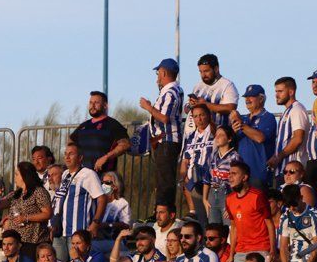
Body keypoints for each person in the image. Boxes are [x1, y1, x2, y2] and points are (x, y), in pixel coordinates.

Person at [139, 58, 184, 206]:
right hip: (163, 141)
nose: (157, 77)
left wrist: (148, 107)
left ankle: (165, 212)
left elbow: (164, 118)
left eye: (158, 73)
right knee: (163, 180)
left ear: (164, 72)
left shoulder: (170, 92)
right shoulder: (174, 90)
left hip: (167, 141)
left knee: (165, 181)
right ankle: (161, 211)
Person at [51, 144, 106, 262]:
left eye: (71, 154)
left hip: (78, 232)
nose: (67, 157)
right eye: (65, 154)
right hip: (61, 232)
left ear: (80, 157)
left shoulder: (88, 174)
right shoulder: (65, 174)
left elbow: (102, 199)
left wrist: (95, 223)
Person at [0, 162, 52, 259]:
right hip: (17, 242)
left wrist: (26, 218)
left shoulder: (39, 192)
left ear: (25, 176)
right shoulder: (16, 194)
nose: (15, 177)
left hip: (34, 242)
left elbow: (47, 214)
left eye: (17, 174)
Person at [225, 161, 275, 262]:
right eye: (229, 173)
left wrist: (272, 250)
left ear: (245, 177)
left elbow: (269, 223)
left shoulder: (257, 196)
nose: (230, 177)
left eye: (234, 173)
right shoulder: (229, 199)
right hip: (241, 251)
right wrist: (232, 254)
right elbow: (234, 227)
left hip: (260, 248)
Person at [68, 91, 131, 172]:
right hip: (82, 176)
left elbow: (126, 144)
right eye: (90, 103)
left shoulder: (113, 124)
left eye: (96, 102)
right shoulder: (83, 126)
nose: (92, 105)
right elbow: (71, 142)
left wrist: (106, 157)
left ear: (105, 106)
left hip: (103, 175)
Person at [230, 85, 276, 188]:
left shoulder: (268, 117)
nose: (247, 99)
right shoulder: (244, 118)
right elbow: (233, 144)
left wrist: (241, 124)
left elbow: (260, 138)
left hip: (258, 174)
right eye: (246, 97)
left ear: (261, 99)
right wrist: (233, 132)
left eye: (251, 96)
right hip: (240, 175)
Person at [179, 103, 215, 226]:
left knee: (213, 219)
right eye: (195, 116)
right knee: (202, 220)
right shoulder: (190, 137)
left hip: (212, 183)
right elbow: (184, 160)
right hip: (194, 184)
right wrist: (184, 177)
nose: (199, 119)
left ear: (208, 116)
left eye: (201, 115)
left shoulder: (215, 132)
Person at [269, 77, 310, 185]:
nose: (276, 95)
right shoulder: (287, 111)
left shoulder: (297, 110)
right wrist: (275, 156)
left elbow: (298, 138)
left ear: (291, 92)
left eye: (280, 91)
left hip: (293, 171)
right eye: (276, 91)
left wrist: (280, 156)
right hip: (284, 169)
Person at [185, 53, 239, 129]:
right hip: (200, 136)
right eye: (201, 72)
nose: (203, 75)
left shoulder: (228, 85)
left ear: (216, 69)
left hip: (220, 134)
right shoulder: (198, 87)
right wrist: (191, 105)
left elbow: (231, 108)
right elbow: (186, 109)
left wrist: (205, 104)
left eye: (206, 71)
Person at [202, 126, 241, 224]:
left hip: (228, 194)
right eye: (216, 135)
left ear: (229, 138)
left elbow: (239, 182)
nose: (217, 137)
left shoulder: (235, 157)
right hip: (212, 193)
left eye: (221, 135)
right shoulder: (212, 156)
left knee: (228, 226)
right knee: (213, 226)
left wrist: (235, 201)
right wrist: (204, 199)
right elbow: (207, 179)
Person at [95, 171, 130, 255]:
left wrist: (108, 225)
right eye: (102, 182)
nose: (103, 185)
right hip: (99, 238)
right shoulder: (98, 202)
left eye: (107, 183)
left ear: (115, 186)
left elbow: (126, 225)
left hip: (115, 241)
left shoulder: (122, 203)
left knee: (91, 246)